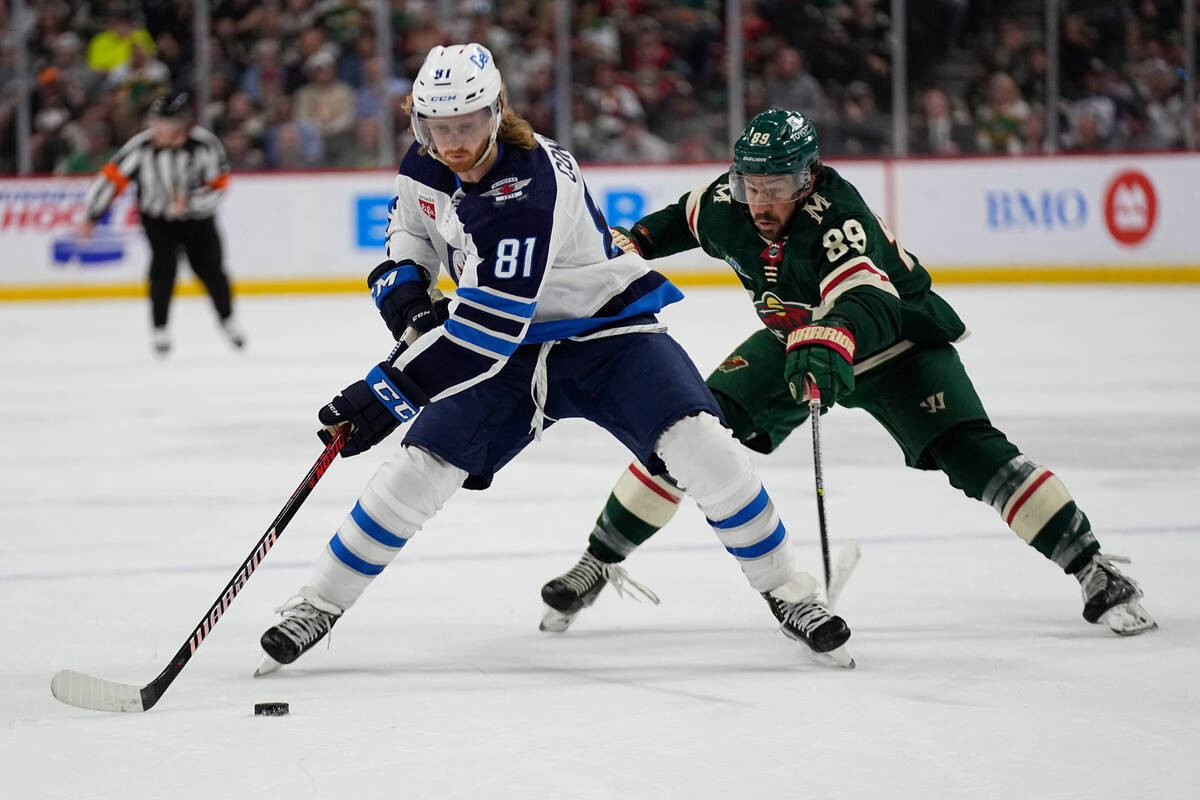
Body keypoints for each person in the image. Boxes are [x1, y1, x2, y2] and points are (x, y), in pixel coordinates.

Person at [255, 44, 856, 675]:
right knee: (419, 467)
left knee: (700, 443)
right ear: (419, 125)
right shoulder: (425, 159)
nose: (454, 142)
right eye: (438, 128)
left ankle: (791, 594)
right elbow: (410, 229)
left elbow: (487, 332)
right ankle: (318, 605)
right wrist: (407, 294)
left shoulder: (525, 189)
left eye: (467, 126)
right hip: (508, 350)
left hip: (605, 334)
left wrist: (388, 393)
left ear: (497, 113)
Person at [539, 108, 1157, 639]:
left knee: (971, 453)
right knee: (690, 433)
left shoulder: (839, 217)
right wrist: (631, 243)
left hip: (896, 345)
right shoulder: (727, 202)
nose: (761, 201)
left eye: (778, 185)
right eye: (751, 184)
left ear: (809, 177)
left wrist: (834, 335)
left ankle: (1093, 567)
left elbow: (869, 297)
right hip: (797, 340)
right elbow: (680, 219)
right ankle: (597, 562)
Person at [82, 90, 244, 355]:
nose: (155, 128)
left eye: (162, 122)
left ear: (181, 123)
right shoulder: (140, 147)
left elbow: (220, 186)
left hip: (198, 223)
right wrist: (92, 215)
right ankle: (160, 328)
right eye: (153, 121)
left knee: (212, 272)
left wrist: (191, 202)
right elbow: (111, 179)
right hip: (158, 221)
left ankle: (227, 320)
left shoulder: (204, 145)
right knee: (162, 271)